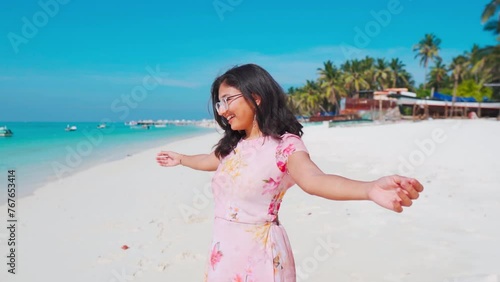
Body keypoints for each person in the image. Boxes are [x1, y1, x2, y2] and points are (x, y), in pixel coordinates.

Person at [156, 64, 423, 282]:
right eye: (218, 103)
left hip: (259, 255)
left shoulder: (285, 145)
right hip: (223, 253)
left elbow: (314, 180)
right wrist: (181, 159)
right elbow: (209, 160)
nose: (223, 110)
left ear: (256, 98)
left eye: (228, 100)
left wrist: (368, 188)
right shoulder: (234, 145)